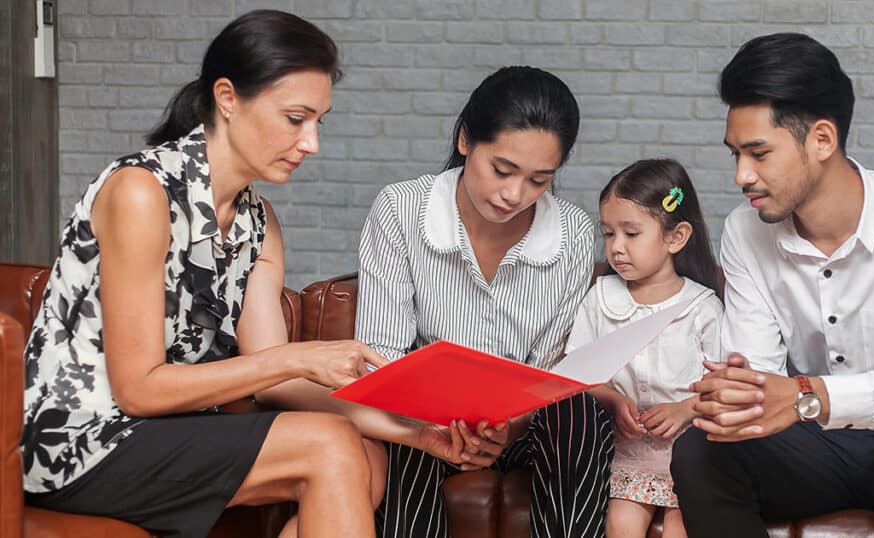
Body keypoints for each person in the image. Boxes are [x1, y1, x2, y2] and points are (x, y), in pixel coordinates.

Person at [20, 11, 482, 538]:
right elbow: (138, 391)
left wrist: (415, 429)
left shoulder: (258, 224)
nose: (312, 143)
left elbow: (278, 383)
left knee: (366, 454)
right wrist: (297, 356)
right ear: (227, 98)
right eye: (295, 118)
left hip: (170, 432)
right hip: (81, 442)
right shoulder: (140, 192)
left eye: (318, 122)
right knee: (329, 447)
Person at [669, 32, 874, 538]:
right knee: (702, 449)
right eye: (735, 153)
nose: (741, 175)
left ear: (822, 139)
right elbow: (760, 380)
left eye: (758, 153)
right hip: (816, 450)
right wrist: (736, 394)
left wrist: (812, 395)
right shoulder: (745, 230)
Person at [353, 65, 615, 538]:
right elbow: (381, 357)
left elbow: (551, 369)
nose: (515, 195)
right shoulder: (400, 210)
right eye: (502, 169)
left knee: (579, 415)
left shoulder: (573, 231)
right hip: (420, 422)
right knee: (411, 440)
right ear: (465, 140)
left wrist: (507, 431)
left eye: (539, 180)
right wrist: (433, 426)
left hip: (517, 425)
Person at [565, 159, 722, 538]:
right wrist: (614, 401)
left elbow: (722, 384)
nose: (616, 247)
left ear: (675, 237)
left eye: (631, 233)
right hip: (631, 454)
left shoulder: (702, 307)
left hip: (691, 455)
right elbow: (575, 373)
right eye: (608, 234)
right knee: (620, 526)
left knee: (681, 529)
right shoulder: (600, 298)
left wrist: (685, 409)